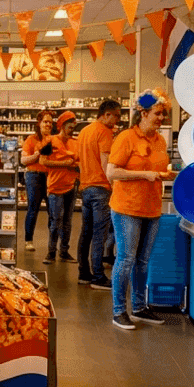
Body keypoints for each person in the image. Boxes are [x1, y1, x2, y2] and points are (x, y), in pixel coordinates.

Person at [106, 90, 174, 331]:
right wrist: (143, 175)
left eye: (163, 114)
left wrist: (166, 175)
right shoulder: (126, 138)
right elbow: (111, 172)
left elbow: (157, 169)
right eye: (157, 114)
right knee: (125, 260)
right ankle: (118, 312)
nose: (161, 118)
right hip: (127, 208)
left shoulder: (160, 140)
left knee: (143, 261)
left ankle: (139, 307)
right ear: (143, 113)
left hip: (151, 207)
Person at [76, 100, 121, 289]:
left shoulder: (84, 131)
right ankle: (98, 277)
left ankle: (84, 273)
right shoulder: (104, 132)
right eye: (116, 115)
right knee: (99, 235)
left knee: (85, 233)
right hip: (101, 188)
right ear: (106, 114)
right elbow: (105, 163)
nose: (118, 120)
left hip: (85, 187)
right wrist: (114, 185)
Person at [40, 111, 79, 265]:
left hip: (71, 186)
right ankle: (50, 253)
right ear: (62, 125)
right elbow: (43, 161)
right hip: (55, 188)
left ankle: (64, 252)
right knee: (56, 221)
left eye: (74, 127)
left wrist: (76, 167)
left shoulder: (75, 143)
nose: (72, 130)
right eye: (70, 127)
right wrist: (64, 164)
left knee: (68, 222)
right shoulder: (49, 141)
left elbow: (78, 162)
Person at [20, 111, 54, 252]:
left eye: (50, 122)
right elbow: (23, 161)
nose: (48, 125)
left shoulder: (54, 140)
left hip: (51, 177)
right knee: (32, 210)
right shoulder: (31, 139)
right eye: (45, 121)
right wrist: (37, 154)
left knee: (53, 211)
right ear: (39, 123)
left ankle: (52, 244)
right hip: (34, 176)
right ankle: (28, 240)